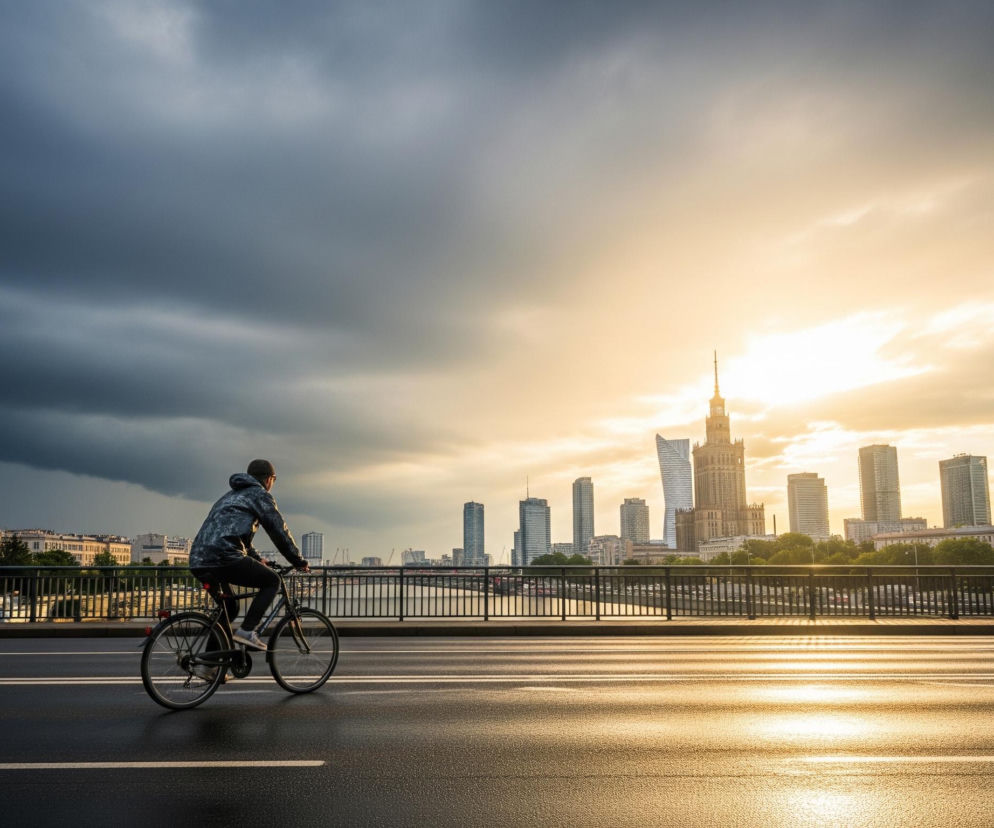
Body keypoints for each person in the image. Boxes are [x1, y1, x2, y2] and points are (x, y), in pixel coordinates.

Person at [189, 459, 309, 650]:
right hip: (224, 558)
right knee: (273, 581)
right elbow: (278, 530)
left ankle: (210, 666)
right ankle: (247, 631)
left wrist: (256, 558)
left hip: (199, 560)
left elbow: (236, 537)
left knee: (229, 608)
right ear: (269, 479)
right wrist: (298, 560)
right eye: (274, 480)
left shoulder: (229, 496)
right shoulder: (260, 495)